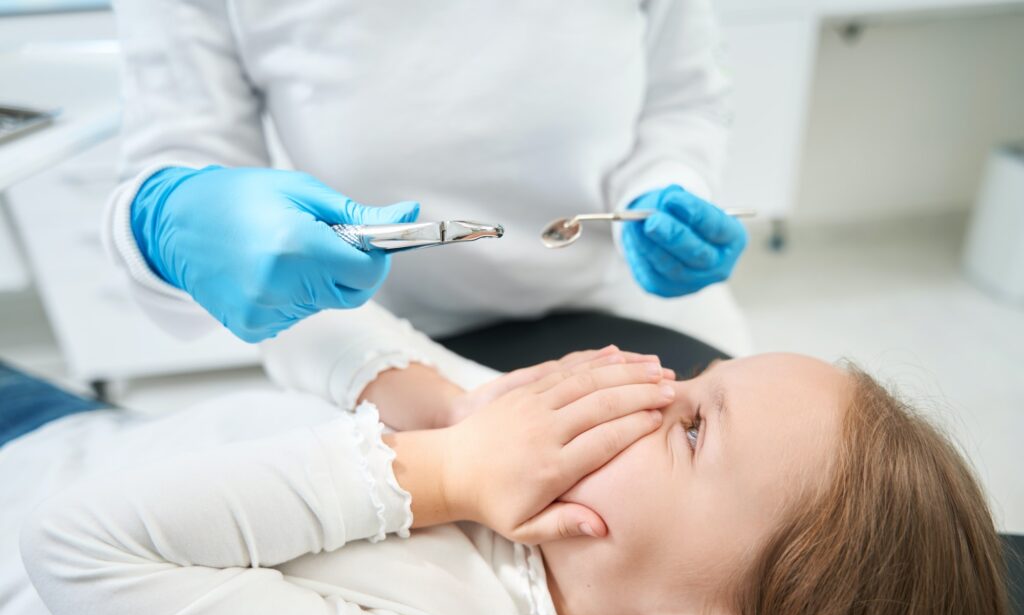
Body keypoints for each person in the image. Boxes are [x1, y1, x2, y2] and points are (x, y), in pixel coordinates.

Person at [9, 307, 1008, 615]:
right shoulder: (534, 466)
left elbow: (78, 547)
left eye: (693, 425)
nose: (647, 384)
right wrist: (438, 400)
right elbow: (294, 323)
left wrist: (438, 470)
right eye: (690, 376)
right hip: (74, 429)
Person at [106, 0, 752, 355]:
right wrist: (171, 218)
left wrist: (665, 184)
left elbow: (684, 99)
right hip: (373, 333)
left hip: (625, 299)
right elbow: (182, 145)